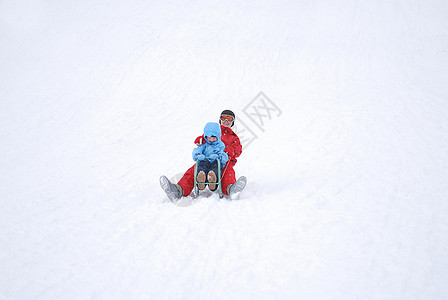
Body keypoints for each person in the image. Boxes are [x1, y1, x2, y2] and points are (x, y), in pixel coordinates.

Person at [160, 110, 247, 200]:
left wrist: (227, 150)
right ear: (220, 120)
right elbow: (202, 139)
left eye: (229, 119)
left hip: (223, 161)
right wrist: (200, 141)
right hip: (206, 159)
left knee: (228, 172)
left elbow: (238, 151)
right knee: (193, 170)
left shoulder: (233, 137)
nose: (226, 121)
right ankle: (178, 190)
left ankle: (231, 189)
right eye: (223, 118)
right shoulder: (213, 130)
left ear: (232, 123)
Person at [192, 122, 228, 191]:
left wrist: (218, 156)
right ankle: (201, 180)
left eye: (214, 138)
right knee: (201, 166)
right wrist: (198, 155)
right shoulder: (204, 144)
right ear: (206, 136)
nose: (211, 140)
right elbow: (196, 150)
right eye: (209, 138)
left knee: (216, 168)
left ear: (218, 136)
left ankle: (213, 180)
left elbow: (224, 156)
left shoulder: (220, 145)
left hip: (215, 162)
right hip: (205, 161)